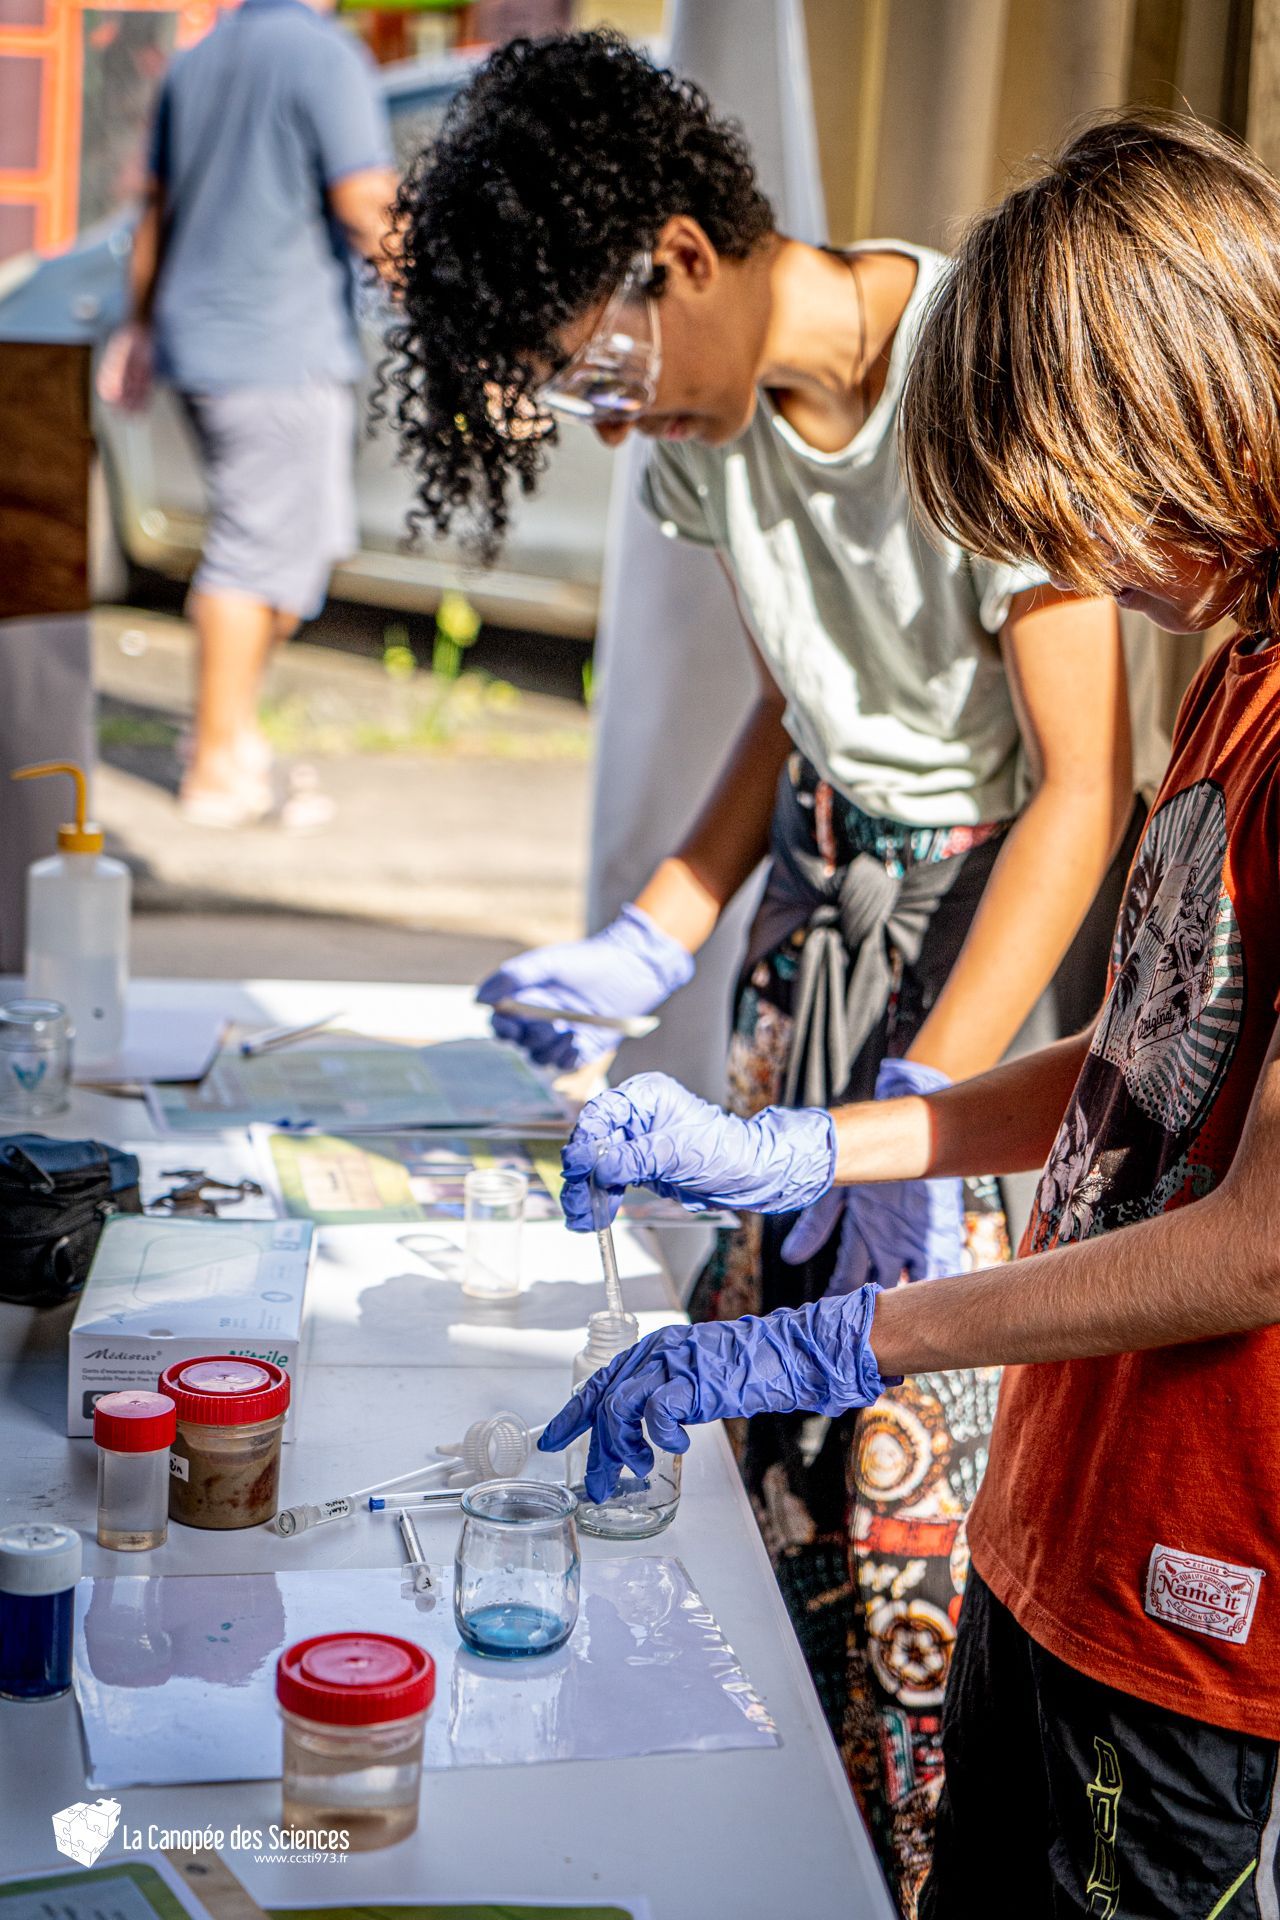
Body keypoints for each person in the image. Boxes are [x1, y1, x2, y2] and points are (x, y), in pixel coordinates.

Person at [383, 31, 1134, 1904]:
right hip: (818, 926)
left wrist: (921, 1101)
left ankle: (883, 1872)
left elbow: (1082, 794)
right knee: (739, 1421)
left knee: (903, 1468)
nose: (612, 422)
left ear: (683, 252)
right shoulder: (709, 446)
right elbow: (795, 711)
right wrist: (665, 923)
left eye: (599, 370)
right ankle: (725, 1837)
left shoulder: (978, 378)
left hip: (973, 932)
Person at [542, 112, 1280, 1916]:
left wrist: (851, 1340)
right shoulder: (1242, 662)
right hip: (1063, 1522)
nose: (1088, 570)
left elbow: (1261, 1241)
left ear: (1196, 403)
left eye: (1081, 509)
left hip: (1200, 1582)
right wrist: (817, 1138)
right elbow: (1143, 1067)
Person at [97, 0, 397, 827]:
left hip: (211, 345)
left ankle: (224, 733)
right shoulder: (324, 55)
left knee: (289, 557)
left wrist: (139, 324)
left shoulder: (197, 61)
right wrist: (456, 299)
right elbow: (368, 201)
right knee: (254, 555)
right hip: (275, 350)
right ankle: (218, 762)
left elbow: (153, 211)